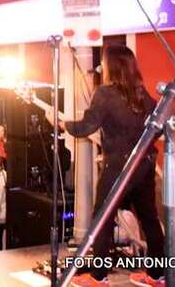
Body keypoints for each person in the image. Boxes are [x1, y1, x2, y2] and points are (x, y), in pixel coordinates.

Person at [34, 45, 165, 287]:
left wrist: (62, 125)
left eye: (104, 62)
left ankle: (99, 277)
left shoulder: (104, 93)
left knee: (101, 220)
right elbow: (158, 127)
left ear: (111, 65)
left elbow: (86, 127)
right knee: (150, 219)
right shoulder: (142, 93)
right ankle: (157, 276)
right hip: (144, 166)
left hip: (118, 168)